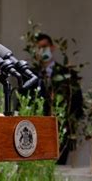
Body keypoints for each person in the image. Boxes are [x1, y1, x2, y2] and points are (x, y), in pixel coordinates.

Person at [35, 33, 83, 165]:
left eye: (44, 46)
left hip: (60, 132)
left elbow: (77, 103)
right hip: (36, 132)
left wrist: (68, 126)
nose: (41, 51)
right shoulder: (32, 75)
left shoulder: (66, 75)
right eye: (38, 48)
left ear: (52, 47)